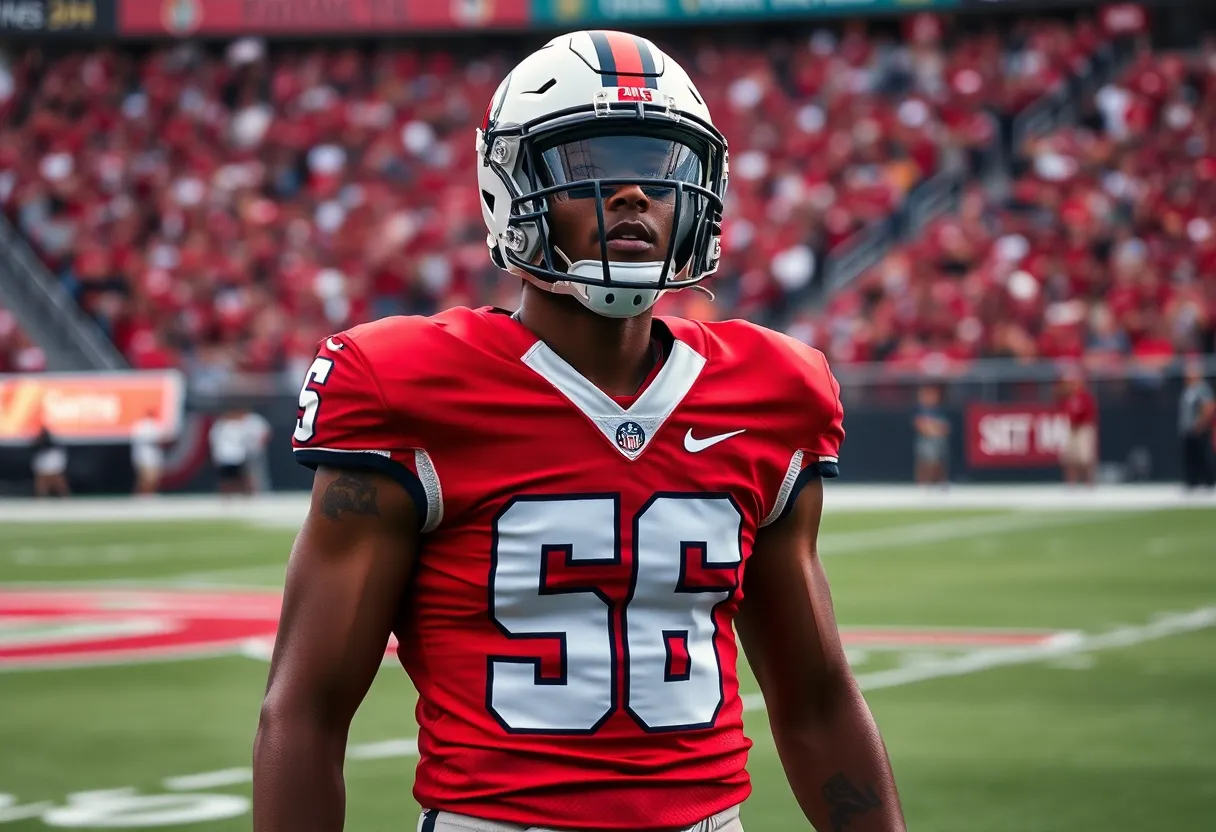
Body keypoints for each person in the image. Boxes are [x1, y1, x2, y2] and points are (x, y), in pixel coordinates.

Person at [254, 30, 905, 832]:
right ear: (510, 185)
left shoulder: (774, 391)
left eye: (660, 168)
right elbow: (306, 712)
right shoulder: (408, 386)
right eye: (592, 162)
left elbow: (815, 700)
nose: (634, 194)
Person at [1178, 359, 1215, 490]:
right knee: (1189, 456)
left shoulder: (1202, 388)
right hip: (1188, 429)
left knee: (1203, 455)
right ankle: (1192, 481)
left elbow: (1209, 406)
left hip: (1199, 430)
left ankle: (1209, 481)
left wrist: (1200, 423)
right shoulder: (1188, 389)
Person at [1059, 367, 1098, 486]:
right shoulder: (1067, 398)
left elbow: (1088, 414)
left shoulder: (1085, 397)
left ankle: (1089, 482)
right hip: (1071, 429)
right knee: (1070, 458)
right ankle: (1071, 483)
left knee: (1085, 457)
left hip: (1083, 429)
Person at [208, 409, 254, 495]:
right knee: (226, 479)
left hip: (237, 455)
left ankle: (247, 494)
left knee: (241, 477)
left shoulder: (239, 426)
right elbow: (214, 440)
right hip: (224, 456)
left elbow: (246, 440)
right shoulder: (220, 426)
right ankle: (227, 495)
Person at [913, 384, 950, 486]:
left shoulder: (940, 410)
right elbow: (920, 425)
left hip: (939, 440)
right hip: (926, 440)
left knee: (939, 462)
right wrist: (932, 429)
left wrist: (934, 429)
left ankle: (940, 482)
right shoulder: (920, 409)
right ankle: (923, 484)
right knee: (925, 461)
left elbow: (945, 427)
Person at [130, 409, 165, 495]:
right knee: (145, 479)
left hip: (152, 458)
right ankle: (139, 495)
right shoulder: (141, 426)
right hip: (144, 457)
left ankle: (149, 494)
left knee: (152, 479)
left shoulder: (155, 425)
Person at [30, 421, 69, 498]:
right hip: (44, 470)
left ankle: (64, 496)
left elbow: (60, 461)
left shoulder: (55, 449)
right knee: (41, 482)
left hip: (55, 469)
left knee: (59, 483)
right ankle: (42, 496)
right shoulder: (39, 447)